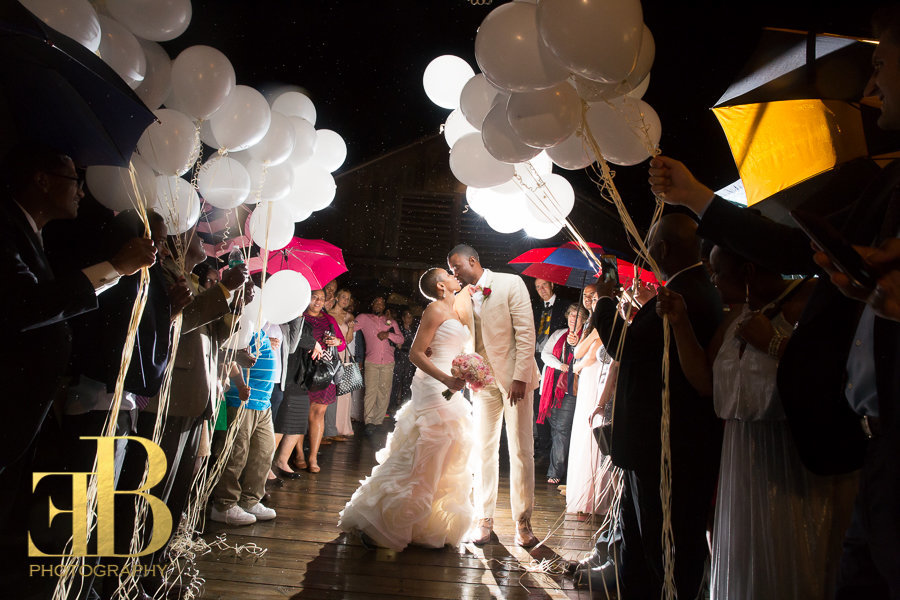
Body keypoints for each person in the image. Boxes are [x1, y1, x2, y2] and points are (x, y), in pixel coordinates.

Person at [647, 12, 900, 589]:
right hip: (864, 441)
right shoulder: (879, 183)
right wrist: (695, 195)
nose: (870, 85)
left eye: (882, 63)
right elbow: (790, 247)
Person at [657, 244, 857, 599]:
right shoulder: (737, 317)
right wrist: (680, 322)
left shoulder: (812, 304)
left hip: (790, 458)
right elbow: (705, 380)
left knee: (790, 553)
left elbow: (836, 381)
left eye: (718, 271)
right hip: (741, 458)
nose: (713, 279)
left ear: (748, 272)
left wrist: (776, 344)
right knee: (745, 553)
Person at [592, 214, 723, 598]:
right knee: (643, 543)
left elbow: (626, 348)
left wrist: (603, 300)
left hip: (665, 448)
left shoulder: (686, 295)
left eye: (650, 246)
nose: (647, 252)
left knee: (663, 547)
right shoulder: (693, 289)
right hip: (658, 446)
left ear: (662, 249)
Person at [339, 268, 472, 550]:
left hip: (452, 386)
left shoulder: (458, 311)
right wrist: (447, 378)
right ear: (439, 286)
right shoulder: (434, 310)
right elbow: (415, 353)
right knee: (426, 450)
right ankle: (387, 520)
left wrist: (467, 371)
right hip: (435, 387)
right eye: (448, 274)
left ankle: (424, 523)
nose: (454, 276)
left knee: (446, 451)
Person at [448, 244, 541, 548]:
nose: (454, 273)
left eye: (456, 267)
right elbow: (465, 339)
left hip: (515, 380)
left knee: (521, 451)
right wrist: (465, 367)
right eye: (450, 269)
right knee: (483, 450)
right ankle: (483, 518)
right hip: (482, 383)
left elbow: (526, 333)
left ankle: (523, 521)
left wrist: (520, 377)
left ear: (472, 260)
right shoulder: (460, 297)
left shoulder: (509, 283)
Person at [210, 326, 279, 525]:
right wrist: (240, 384)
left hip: (263, 401)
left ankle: (250, 500)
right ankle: (224, 504)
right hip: (241, 399)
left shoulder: (260, 327)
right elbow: (226, 356)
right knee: (235, 453)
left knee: (264, 452)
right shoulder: (241, 325)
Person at [566, 284, 616, 515]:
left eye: (594, 297)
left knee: (592, 434)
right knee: (582, 436)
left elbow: (580, 355)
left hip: (596, 379)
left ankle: (597, 494)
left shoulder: (602, 326)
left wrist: (578, 360)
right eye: (587, 297)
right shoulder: (590, 324)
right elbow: (577, 350)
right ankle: (585, 493)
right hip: (588, 380)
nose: (589, 301)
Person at [538, 303, 587, 485]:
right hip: (551, 386)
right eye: (571, 315)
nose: (573, 318)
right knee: (555, 427)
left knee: (562, 429)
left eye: (578, 316)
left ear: (584, 319)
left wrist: (575, 346)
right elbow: (545, 354)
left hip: (570, 388)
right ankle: (559, 467)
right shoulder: (559, 334)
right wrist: (560, 366)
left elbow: (584, 358)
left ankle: (555, 471)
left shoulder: (586, 337)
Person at [302, 289, 346, 473]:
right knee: (302, 413)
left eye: (322, 298)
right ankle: (297, 454)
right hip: (304, 370)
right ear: (307, 298)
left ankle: (312, 457)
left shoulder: (329, 319)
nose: (319, 301)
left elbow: (342, 343)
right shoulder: (300, 316)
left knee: (319, 412)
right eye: (314, 297)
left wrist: (336, 341)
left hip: (325, 371)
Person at [355, 295, 404, 434]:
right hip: (371, 361)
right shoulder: (364, 318)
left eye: (382, 303)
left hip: (388, 362)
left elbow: (401, 339)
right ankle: (369, 422)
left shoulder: (390, 322)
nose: (379, 305)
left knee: (384, 392)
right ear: (372, 304)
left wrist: (388, 335)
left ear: (384, 307)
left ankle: (378, 421)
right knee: (370, 392)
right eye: (376, 302)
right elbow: (350, 328)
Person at [532, 277, 568, 454]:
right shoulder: (534, 308)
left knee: (554, 401)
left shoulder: (565, 306)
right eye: (538, 287)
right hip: (535, 359)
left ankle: (557, 447)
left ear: (553, 284)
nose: (541, 289)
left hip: (556, 359)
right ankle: (545, 446)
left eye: (544, 285)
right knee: (537, 402)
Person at [326, 287, 356, 440]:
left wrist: (350, 328)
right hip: (330, 354)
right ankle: (328, 430)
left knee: (344, 393)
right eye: (343, 297)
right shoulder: (327, 314)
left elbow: (349, 340)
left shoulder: (348, 316)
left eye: (348, 298)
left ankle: (340, 428)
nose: (346, 300)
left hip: (344, 356)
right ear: (337, 298)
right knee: (329, 393)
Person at [389, 307, 417, 412]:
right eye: (407, 317)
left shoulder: (414, 330)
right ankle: (392, 405)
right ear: (403, 318)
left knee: (407, 383)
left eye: (411, 317)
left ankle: (405, 406)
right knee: (395, 381)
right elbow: (391, 341)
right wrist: (396, 344)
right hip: (399, 356)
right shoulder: (398, 329)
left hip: (410, 359)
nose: (409, 319)